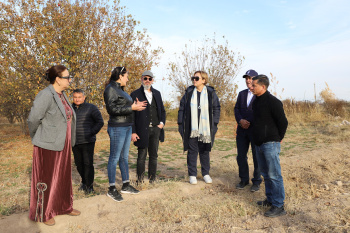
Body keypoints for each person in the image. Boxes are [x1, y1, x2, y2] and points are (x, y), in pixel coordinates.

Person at [27, 65, 80, 226]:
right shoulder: (45, 95)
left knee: (63, 177)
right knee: (47, 179)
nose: (70, 80)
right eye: (67, 77)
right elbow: (33, 119)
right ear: (57, 79)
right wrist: (40, 137)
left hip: (63, 144)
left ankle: (64, 206)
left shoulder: (62, 95)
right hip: (47, 145)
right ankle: (44, 212)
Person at [103, 66, 147, 202]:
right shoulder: (110, 89)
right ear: (120, 76)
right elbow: (111, 109)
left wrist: (134, 105)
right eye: (126, 76)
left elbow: (122, 105)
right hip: (117, 127)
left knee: (124, 157)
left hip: (127, 126)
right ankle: (111, 189)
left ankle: (126, 185)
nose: (128, 79)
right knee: (114, 157)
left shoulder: (121, 90)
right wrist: (131, 107)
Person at [251, 74, 288, 217]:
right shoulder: (256, 101)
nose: (251, 87)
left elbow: (283, 122)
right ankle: (271, 199)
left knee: (274, 175)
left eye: (254, 85)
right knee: (265, 174)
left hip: (270, 143)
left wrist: (279, 138)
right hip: (259, 143)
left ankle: (279, 205)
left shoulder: (274, 102)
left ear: (263, 86)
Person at [178, 71, 220, 185]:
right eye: (193, 78)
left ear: (204, 80)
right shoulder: (189, 92)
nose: (194, 80)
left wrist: (214, 124)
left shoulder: (211, 93)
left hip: (206, 128)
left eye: (197, 78)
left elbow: (216, 108)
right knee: (192, 151)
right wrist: (180, 123)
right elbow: (182, 108)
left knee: (204, 151)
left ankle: (206, 173)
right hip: (192, 128)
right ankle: (192, 175)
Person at [130, 71, 166, 184]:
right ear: (141, 79)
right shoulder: (135, 94)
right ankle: (139, 181)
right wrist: (133, 132)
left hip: (155, 129)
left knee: (154, 156)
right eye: (145, 78)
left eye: (150, 79)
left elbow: (162, 111)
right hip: (142, 130)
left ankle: (152, 179)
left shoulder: (157, 93)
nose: (147, 81)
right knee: (141, 156)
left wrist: (161, 124)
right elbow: (131, 115)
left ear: (152, 80)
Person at [72, 89, 104, 194]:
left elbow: (100, 122)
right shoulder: (69, 108)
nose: (77, 99)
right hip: (74, 141)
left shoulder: (91, 108)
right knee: (78, 164)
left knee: (88, 163)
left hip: (87, 141)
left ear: (84, 97)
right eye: (75, 97)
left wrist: (91, 132)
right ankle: (84, 182)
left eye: (79, 97)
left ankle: (89, 186)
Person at [234, 69, 262, 192]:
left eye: (250, 78)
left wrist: (248, 122)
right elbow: (236, 109)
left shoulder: (260, 95)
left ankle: (256, 181)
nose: (248, 81)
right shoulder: (241, 94)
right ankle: (244, 179)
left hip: (255, 131)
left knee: (257, 157)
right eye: (246, 78)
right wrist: (241, 121)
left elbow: (261, 113)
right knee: (241, 156)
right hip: (241, 131)